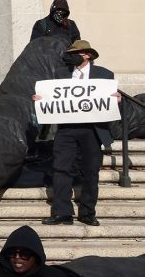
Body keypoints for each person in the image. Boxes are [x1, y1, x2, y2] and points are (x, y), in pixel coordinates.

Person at [34, 40, 120, 226]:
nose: (71, 56)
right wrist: (41, 98)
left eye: (76, 53)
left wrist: (117, 99)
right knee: (61, 169)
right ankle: (62, 212)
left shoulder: (104, 75)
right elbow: (52, 97)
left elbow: (112, 101)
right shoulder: (61, 74)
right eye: (70, 53)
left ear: (87, 55)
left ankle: (88, 212)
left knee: (90, 172)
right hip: (67, 130)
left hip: (92, 130)